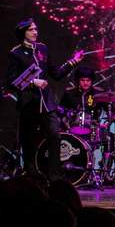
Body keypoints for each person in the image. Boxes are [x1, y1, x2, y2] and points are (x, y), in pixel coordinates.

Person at [5, 18, 83, 181]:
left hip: (46, 102)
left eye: (36, 29)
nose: (35, 32)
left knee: (55, 136)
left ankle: (54, 176)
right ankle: (31, 175)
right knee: (29, 141)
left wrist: (73, 62)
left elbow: (56, 74)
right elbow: (11, 81)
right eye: (31, 29)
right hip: (29, 103)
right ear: (23, 32)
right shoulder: (16, 53)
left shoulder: (42, 48)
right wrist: (33, 82)